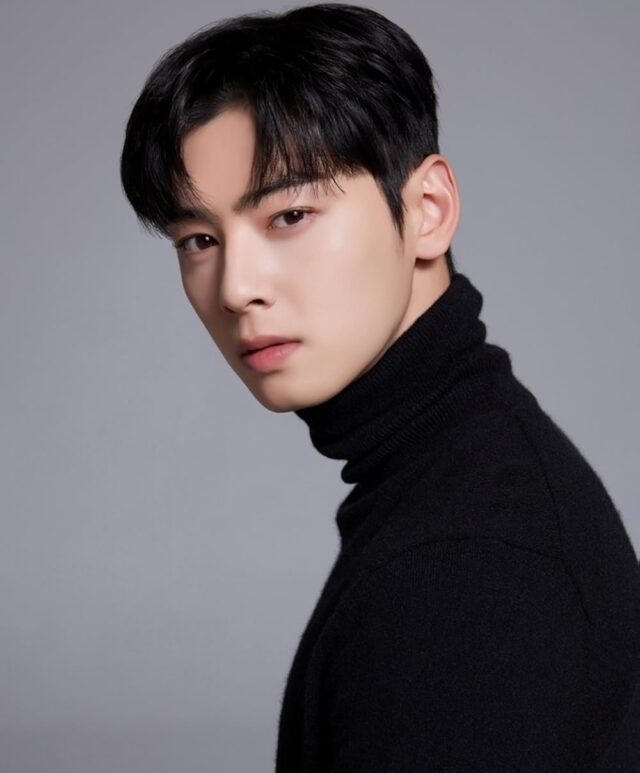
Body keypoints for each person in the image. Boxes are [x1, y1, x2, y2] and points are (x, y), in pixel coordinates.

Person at [119, 3, 640, 769]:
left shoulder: (467, 567)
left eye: (289, 215)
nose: (235, 287)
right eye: (199, 239)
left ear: (428, 211)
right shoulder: (461, 478)